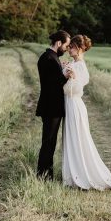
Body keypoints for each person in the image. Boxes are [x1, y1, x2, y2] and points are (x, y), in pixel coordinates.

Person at [62, 34, 111, 190]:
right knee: (71, 138)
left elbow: (74, 89)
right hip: (70, 104)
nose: (69, 49)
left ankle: (81, 174)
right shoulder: (74, 64)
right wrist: (64, 71)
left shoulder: (80, 66)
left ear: (80, 48)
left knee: (78, 138)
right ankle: (72, 174)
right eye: (69, 46)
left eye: (72, 46)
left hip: (74, 103)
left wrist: (71, 77)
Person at [36, 30, 73, 179]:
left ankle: (46, 174)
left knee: (50, 142)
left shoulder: (50, 57)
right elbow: (53, 85)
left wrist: (61, 69)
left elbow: (53, 77)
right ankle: (44, 175)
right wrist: (64, 75)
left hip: (51, 107)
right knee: (49, 143)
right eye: (66, 45)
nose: (67, 48)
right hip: (51, 108)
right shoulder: (49, 59)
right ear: (59, 43)